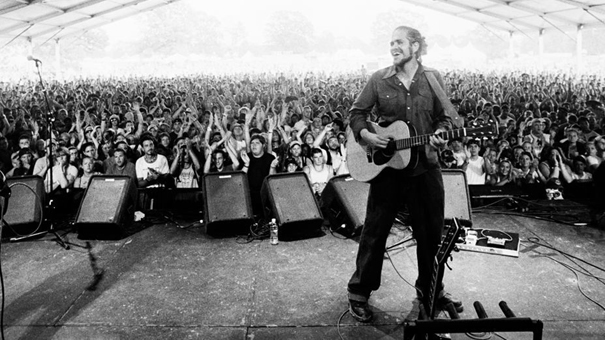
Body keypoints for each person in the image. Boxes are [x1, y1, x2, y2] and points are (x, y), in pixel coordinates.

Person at [346, 26, 463, 324]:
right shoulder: (378, 79)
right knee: (374, 232)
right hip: (387, 170)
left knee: (431, 234)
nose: (393, 47)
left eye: (399, 42)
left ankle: (431, 290)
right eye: (391, 43)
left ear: (416, 46)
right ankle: (358, 293)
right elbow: (356, 113)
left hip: (425, 167)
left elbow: (446, 118)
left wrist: (440, 134)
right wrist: (366, 136)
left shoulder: (433, 79)